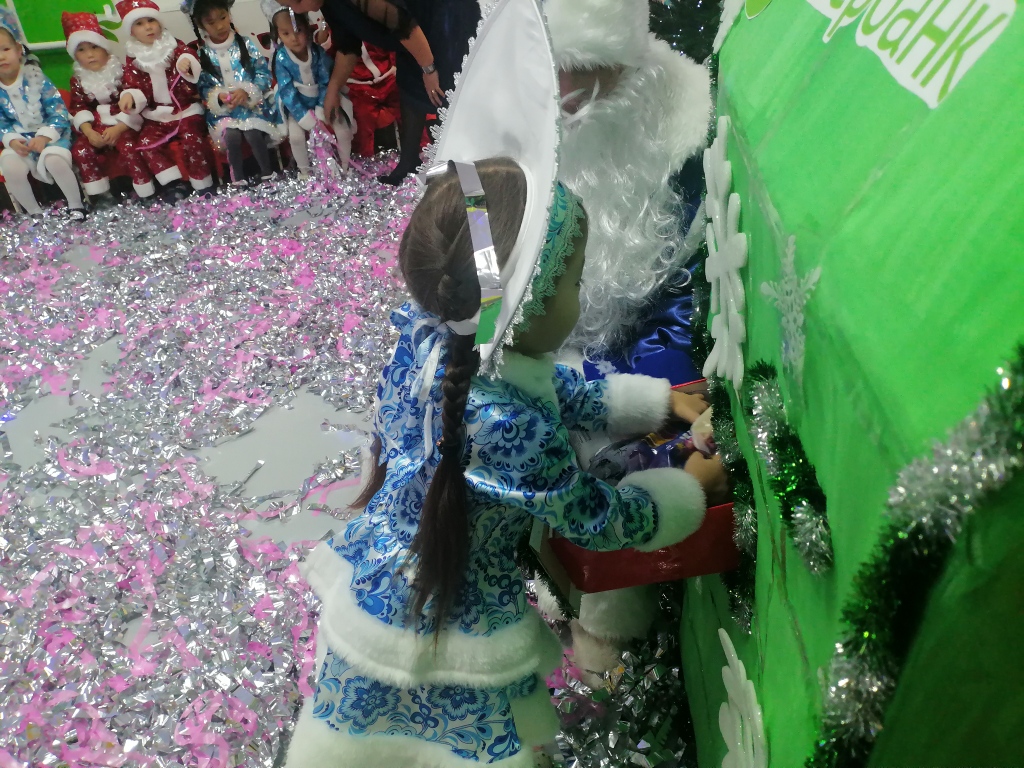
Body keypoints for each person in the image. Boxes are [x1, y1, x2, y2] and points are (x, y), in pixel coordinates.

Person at [286, 158, 725, 767]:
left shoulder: (435, 336)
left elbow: (546, 385)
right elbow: (597, 519)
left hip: (384, 574)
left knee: (364, 725)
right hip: (449, 617)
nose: (579, 299)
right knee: (448, 744)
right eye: (573, 283)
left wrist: (650, 402)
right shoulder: (509, 428)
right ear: (525, 301)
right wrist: (686, 488)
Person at [273, 0, 478, 185]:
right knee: (409, 88)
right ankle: (410, 162)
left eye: (297, 2)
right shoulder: (329, 5)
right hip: (411, 39)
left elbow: (404, 25)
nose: (297, 10)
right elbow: (348, 47)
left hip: (443, 26)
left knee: (448, 104)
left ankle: (470, 185)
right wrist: (332, 91)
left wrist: (429, 69)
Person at [116, 0, 213, 201]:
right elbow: (131, 84)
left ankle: (202, 183)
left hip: (185, 110)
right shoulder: (133, 58)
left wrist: (186, 62)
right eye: (140, 24)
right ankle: (173, 184)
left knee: (192, 138)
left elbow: (187, 54)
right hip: (156, 115)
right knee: (146, 144)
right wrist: (129, 95)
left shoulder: (173, 45)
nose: (148, 27)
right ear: (131, 31)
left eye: (151, 21)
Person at [63, 11, 156, 206]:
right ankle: (101, 196)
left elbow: (137, 102)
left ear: (105, 48)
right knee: (81, 150)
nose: (90, 55)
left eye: (94, 47)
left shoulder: (122, 72)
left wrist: (119, 128)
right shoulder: (78, 80)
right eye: (82, 50)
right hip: (95, 127)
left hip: (124, 123)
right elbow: (78, 107)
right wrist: (89, 132)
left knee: (129, 147)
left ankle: (144, 190)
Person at [0, 8, 86, 219]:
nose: (1, 57)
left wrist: (44, 136)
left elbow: (58, 111)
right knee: (10, 167)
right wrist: (12, 140)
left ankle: (77, 206)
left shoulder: (36, 78)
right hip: (20, 139)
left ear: (18, 50)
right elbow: (1, 122)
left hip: (52, 134)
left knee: (55, 161)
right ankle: (35, 214)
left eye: (5, 49)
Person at [185, 0, 282, 185]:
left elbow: (263, 73)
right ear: (201, 25)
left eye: (223, 17)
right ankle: (237, 179)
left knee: (253, 133)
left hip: (251, 106)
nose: (220, 26)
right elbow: (203, 86)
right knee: (231, 137)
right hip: (224, 113)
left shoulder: (245, 44)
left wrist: (247, 91)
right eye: (211, 22)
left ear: (229, 14)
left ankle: (268, 173)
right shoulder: (203, 54)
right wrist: (218, 97)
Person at [263, 0, 353, 177]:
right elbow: (287, 91)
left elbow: (326, 80)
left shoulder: (317, 53)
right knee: (296, 137)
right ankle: (304, 172)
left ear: (307, 28)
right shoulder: (281, 59)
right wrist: (303, 116)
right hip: (297, 106)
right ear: (278, 34)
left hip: (322, 99)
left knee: (343, 129)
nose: (294, 38)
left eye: (298, 30)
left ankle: (345, 166)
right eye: (286, 33)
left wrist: (321, 107)